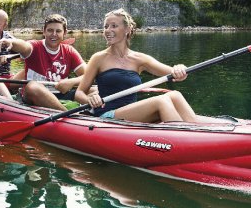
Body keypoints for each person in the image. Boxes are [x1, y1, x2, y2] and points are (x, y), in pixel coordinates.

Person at [74, 8, 217, 124]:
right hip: (108, 115)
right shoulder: (98, 58)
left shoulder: (140, 59)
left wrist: (180, 68)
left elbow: (174, 73)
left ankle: (200, 129)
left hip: (133, 113)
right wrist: (90, 100)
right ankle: (183, 137)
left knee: (175, 95)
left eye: (114, 26)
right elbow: (79, 93)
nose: (107, 30)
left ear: (127, 29)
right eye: (106, 26)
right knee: (161, 101)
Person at [0, 13, 89, 110]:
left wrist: (71, 82)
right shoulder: (35, 46)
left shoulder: (69, 51)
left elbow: (88, 75)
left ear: (64, 33)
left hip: (60, 94)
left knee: (93, 89)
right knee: (32, 87)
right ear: (44, 31)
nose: (54, 34)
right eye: (50, 30)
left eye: (58, 31)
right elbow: (24, 46)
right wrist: (10, 42)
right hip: (34, 95)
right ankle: (66, 115)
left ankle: (92, 112)